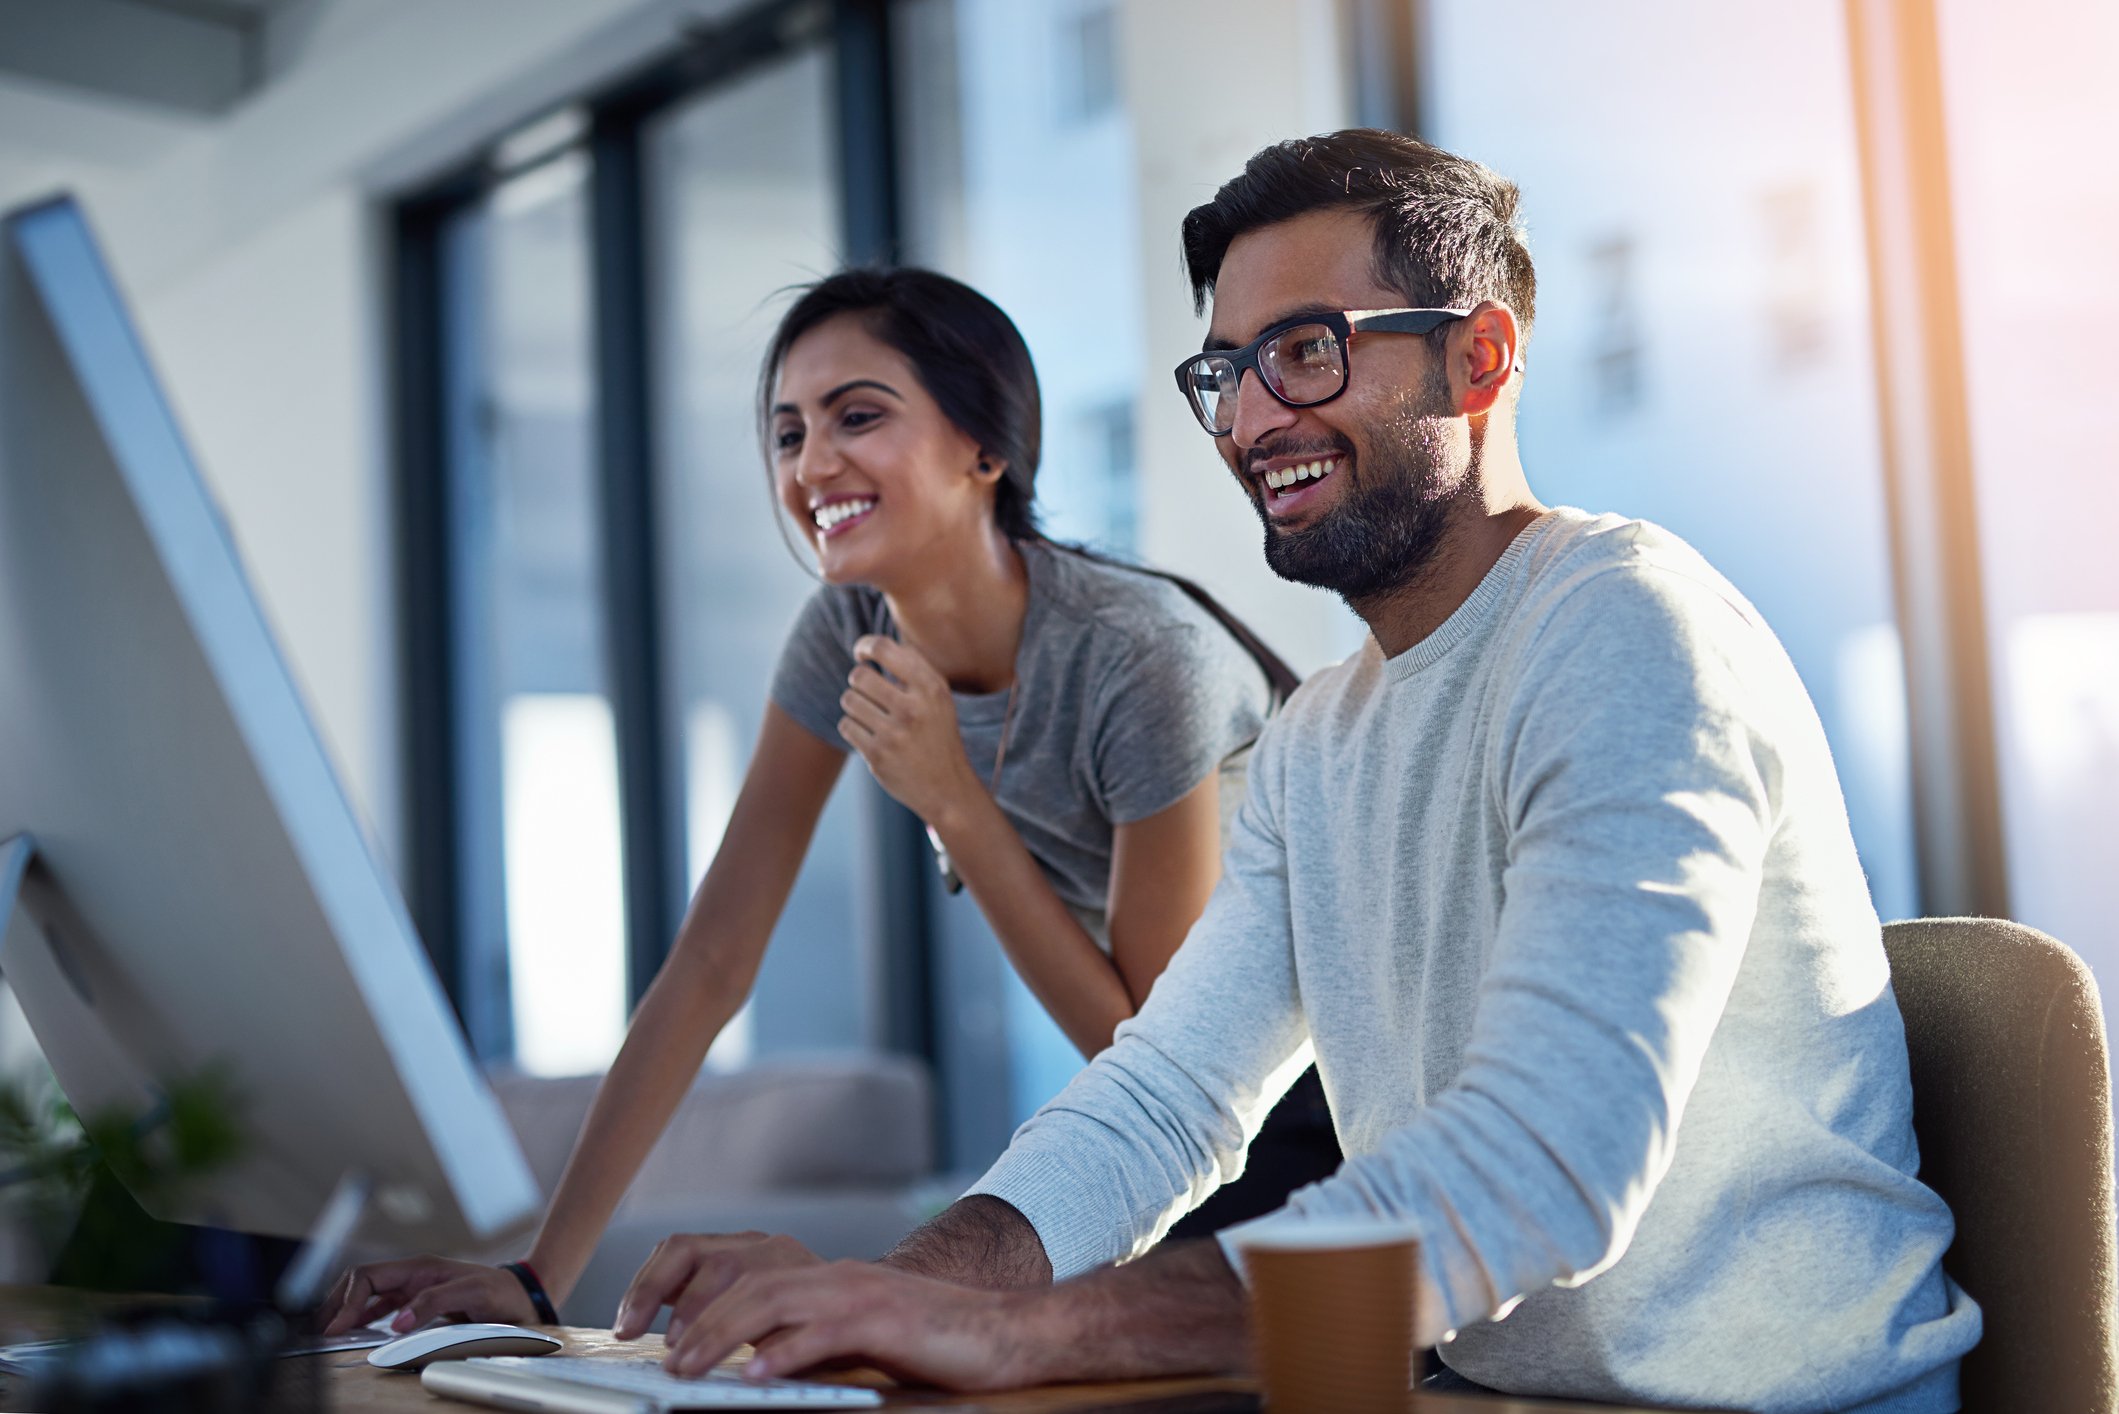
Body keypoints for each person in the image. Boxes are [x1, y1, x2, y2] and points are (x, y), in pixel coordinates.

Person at [607, 131, 1984, 1414]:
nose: (1250, 416)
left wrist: (1018, 1331)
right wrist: (893, 1290)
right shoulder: (1321, 735)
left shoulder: (1623, 628)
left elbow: (1544, 1167)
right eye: (1226, 369)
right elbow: (1163, 1100)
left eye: (1306, 352)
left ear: (1479, 360)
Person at [320, 268, 1341, 1336]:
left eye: (859, 416)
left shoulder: (1140, 658)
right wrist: (537, 1278)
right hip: (1158, 1125)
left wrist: (954, 804)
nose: (813, 464)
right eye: (787, 433)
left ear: (983, 449)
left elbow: (1147, 1050)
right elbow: (712, 960)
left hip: (1309, 1098)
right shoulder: (844, 628)